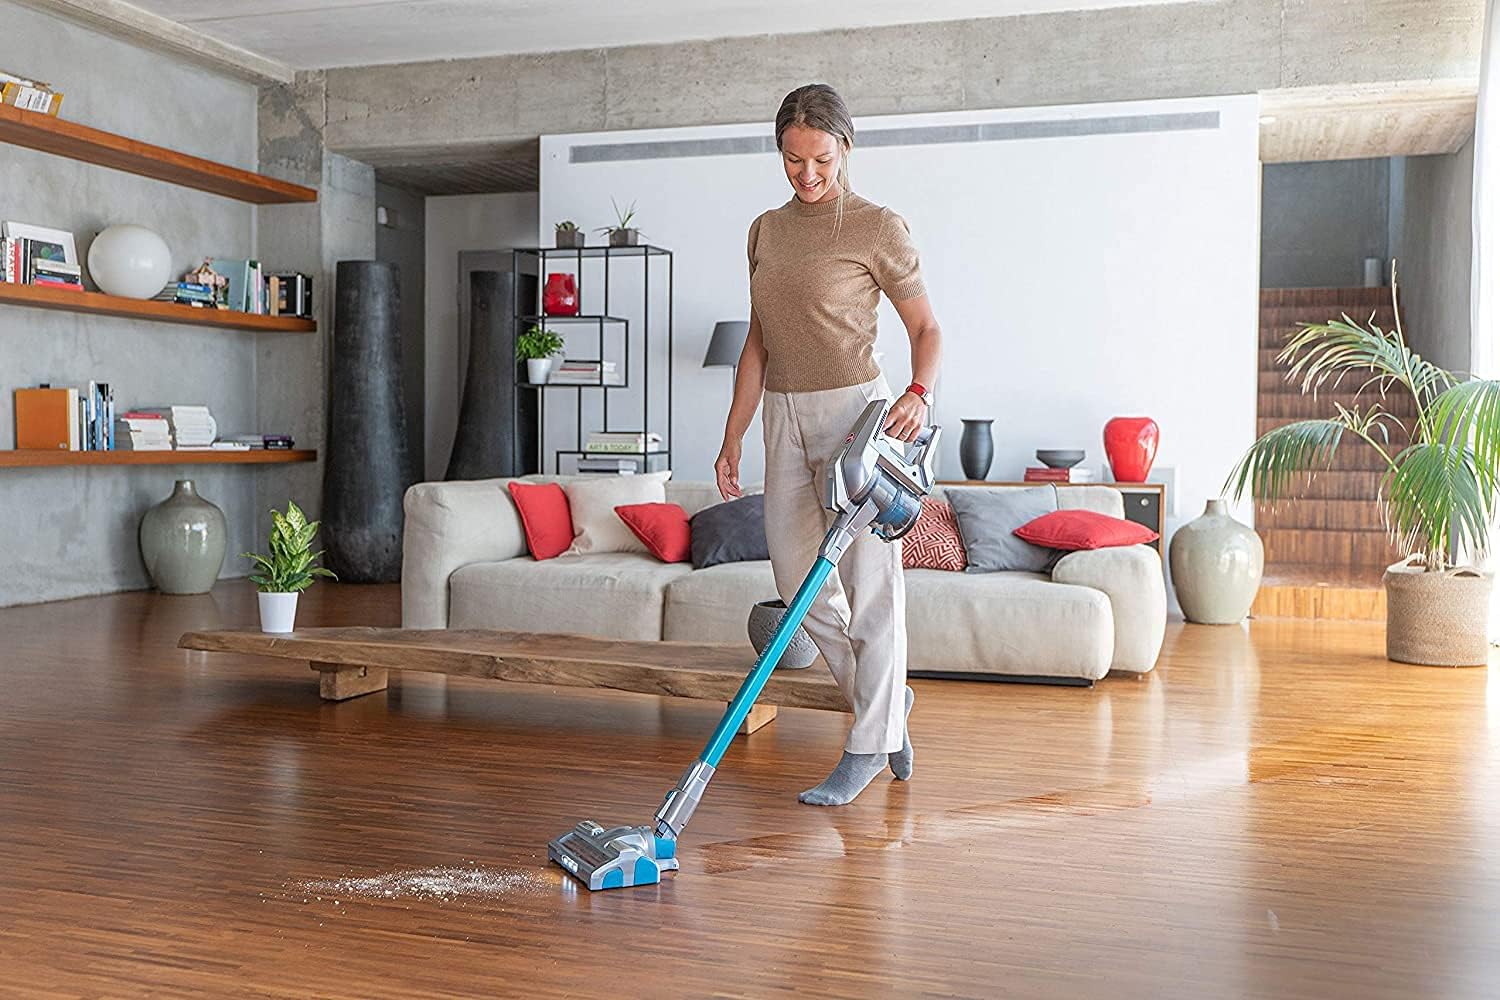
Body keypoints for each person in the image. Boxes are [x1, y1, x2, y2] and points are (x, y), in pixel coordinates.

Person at [714, 83, 944, 806]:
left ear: (844, 148)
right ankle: (885, 711)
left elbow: (928, 330)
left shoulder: (877, 226)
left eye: (819, 160)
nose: (807, 176)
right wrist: (734, 432)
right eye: (792, 161)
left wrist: (919, 392)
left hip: (859, 418)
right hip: (783, 415)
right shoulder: (765, 231)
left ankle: (867, 745)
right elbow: (757, 340)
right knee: (798, 584)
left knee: (872, 586)